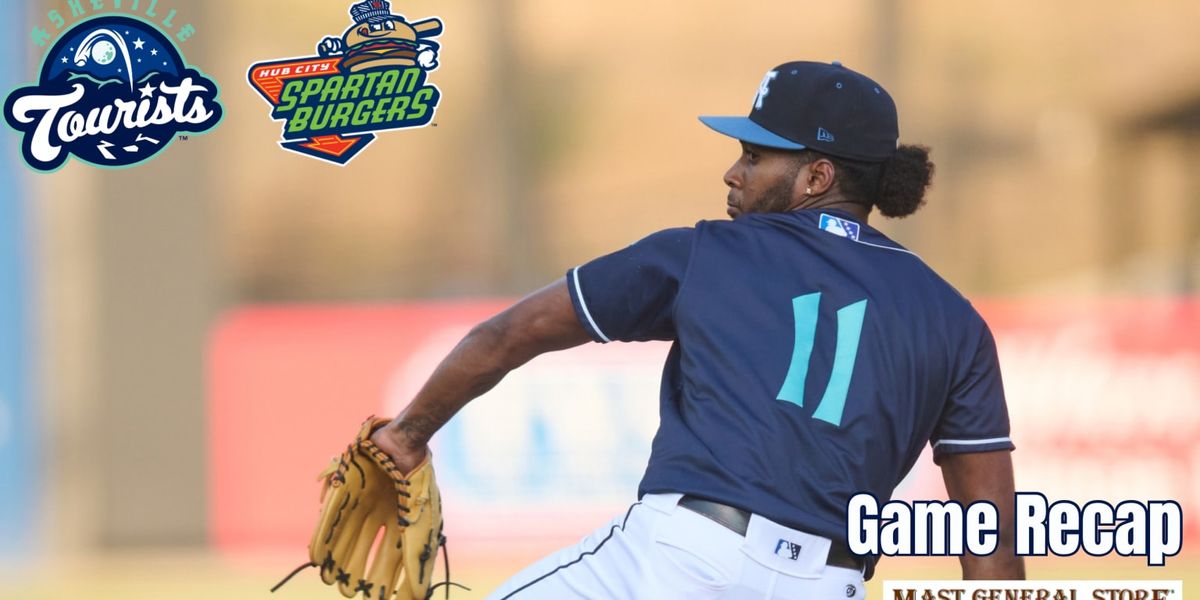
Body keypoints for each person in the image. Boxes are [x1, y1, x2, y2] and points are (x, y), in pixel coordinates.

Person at [369, 60, 1024, 598]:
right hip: (834, 583)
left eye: (754, 155)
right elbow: (988, 534)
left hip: (687, 559)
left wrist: (407, 434)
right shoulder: (955, 322)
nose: (733, 174)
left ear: (817, 177)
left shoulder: (707, 253)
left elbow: (511, 334)